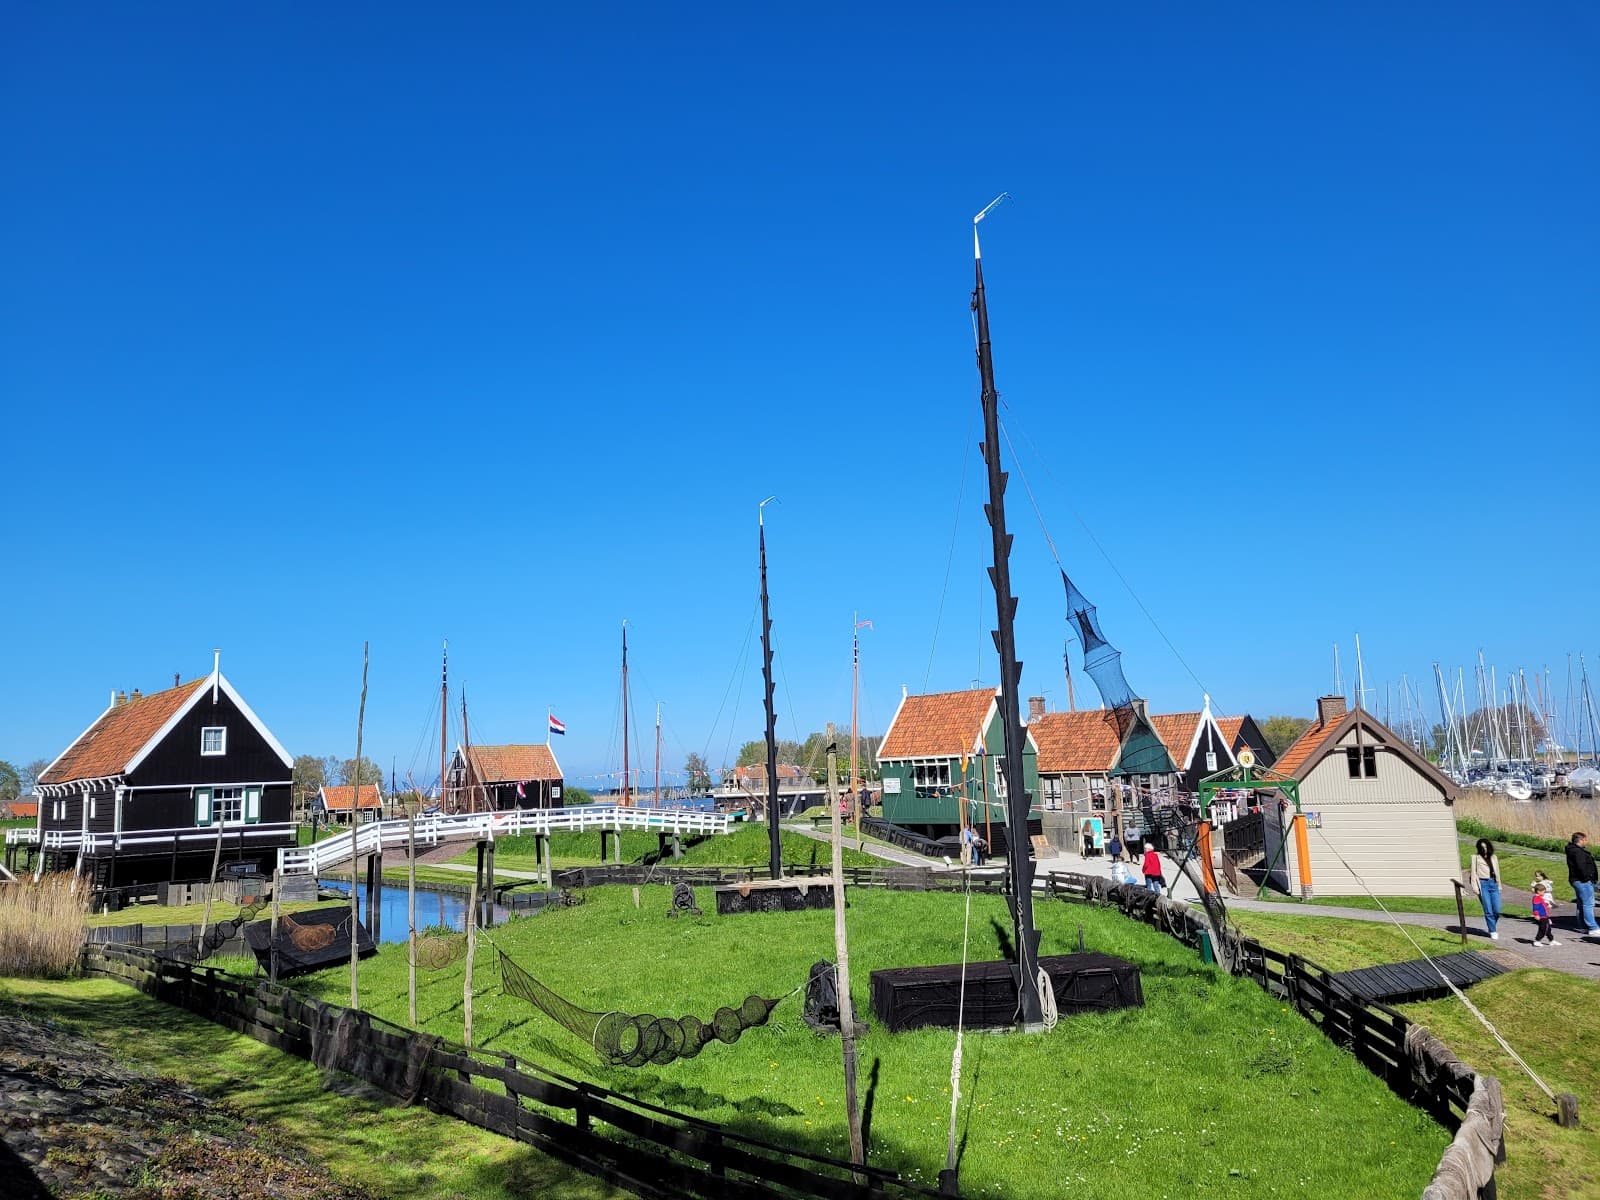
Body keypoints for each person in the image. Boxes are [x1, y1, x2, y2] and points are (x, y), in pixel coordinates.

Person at [1566, 831, 1599, 938]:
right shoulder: (1578, 852)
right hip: (1582, 881)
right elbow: (1581, 867)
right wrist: (1587, 878)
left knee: (1581, 904)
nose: (1586, 842)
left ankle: (1583, 926)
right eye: (1585, 840)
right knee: (1588, 904)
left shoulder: (1573, 850)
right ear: (1580, 840)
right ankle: (1593, 927)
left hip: (1577, 880)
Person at [1469, 838, 1502, 940]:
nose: (1484, 849)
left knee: (1497, 910)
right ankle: (1493, 930)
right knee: (1488, 910)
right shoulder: (1475, 858)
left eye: (1486, 847)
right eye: (1482, 847)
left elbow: (1497, 872)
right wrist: (1475, 887)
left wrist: (1499, 885)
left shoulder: (1494, 857)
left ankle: (1491, 925)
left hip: (1493, 883)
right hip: (1483, 884)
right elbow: (1473, 873)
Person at [1530, 871, 1561, 948]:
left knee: (1548, 928)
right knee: (1543, 929)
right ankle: (1537, 940)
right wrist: (1536, 914)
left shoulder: (1540, 898)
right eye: (1543, 892)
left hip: (1545, 916)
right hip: (1541, 916)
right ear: (1538, 891)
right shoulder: (1536, 898)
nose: (1544, 893)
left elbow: (1543, 906)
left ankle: (1551, 940)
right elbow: (1536, 907)